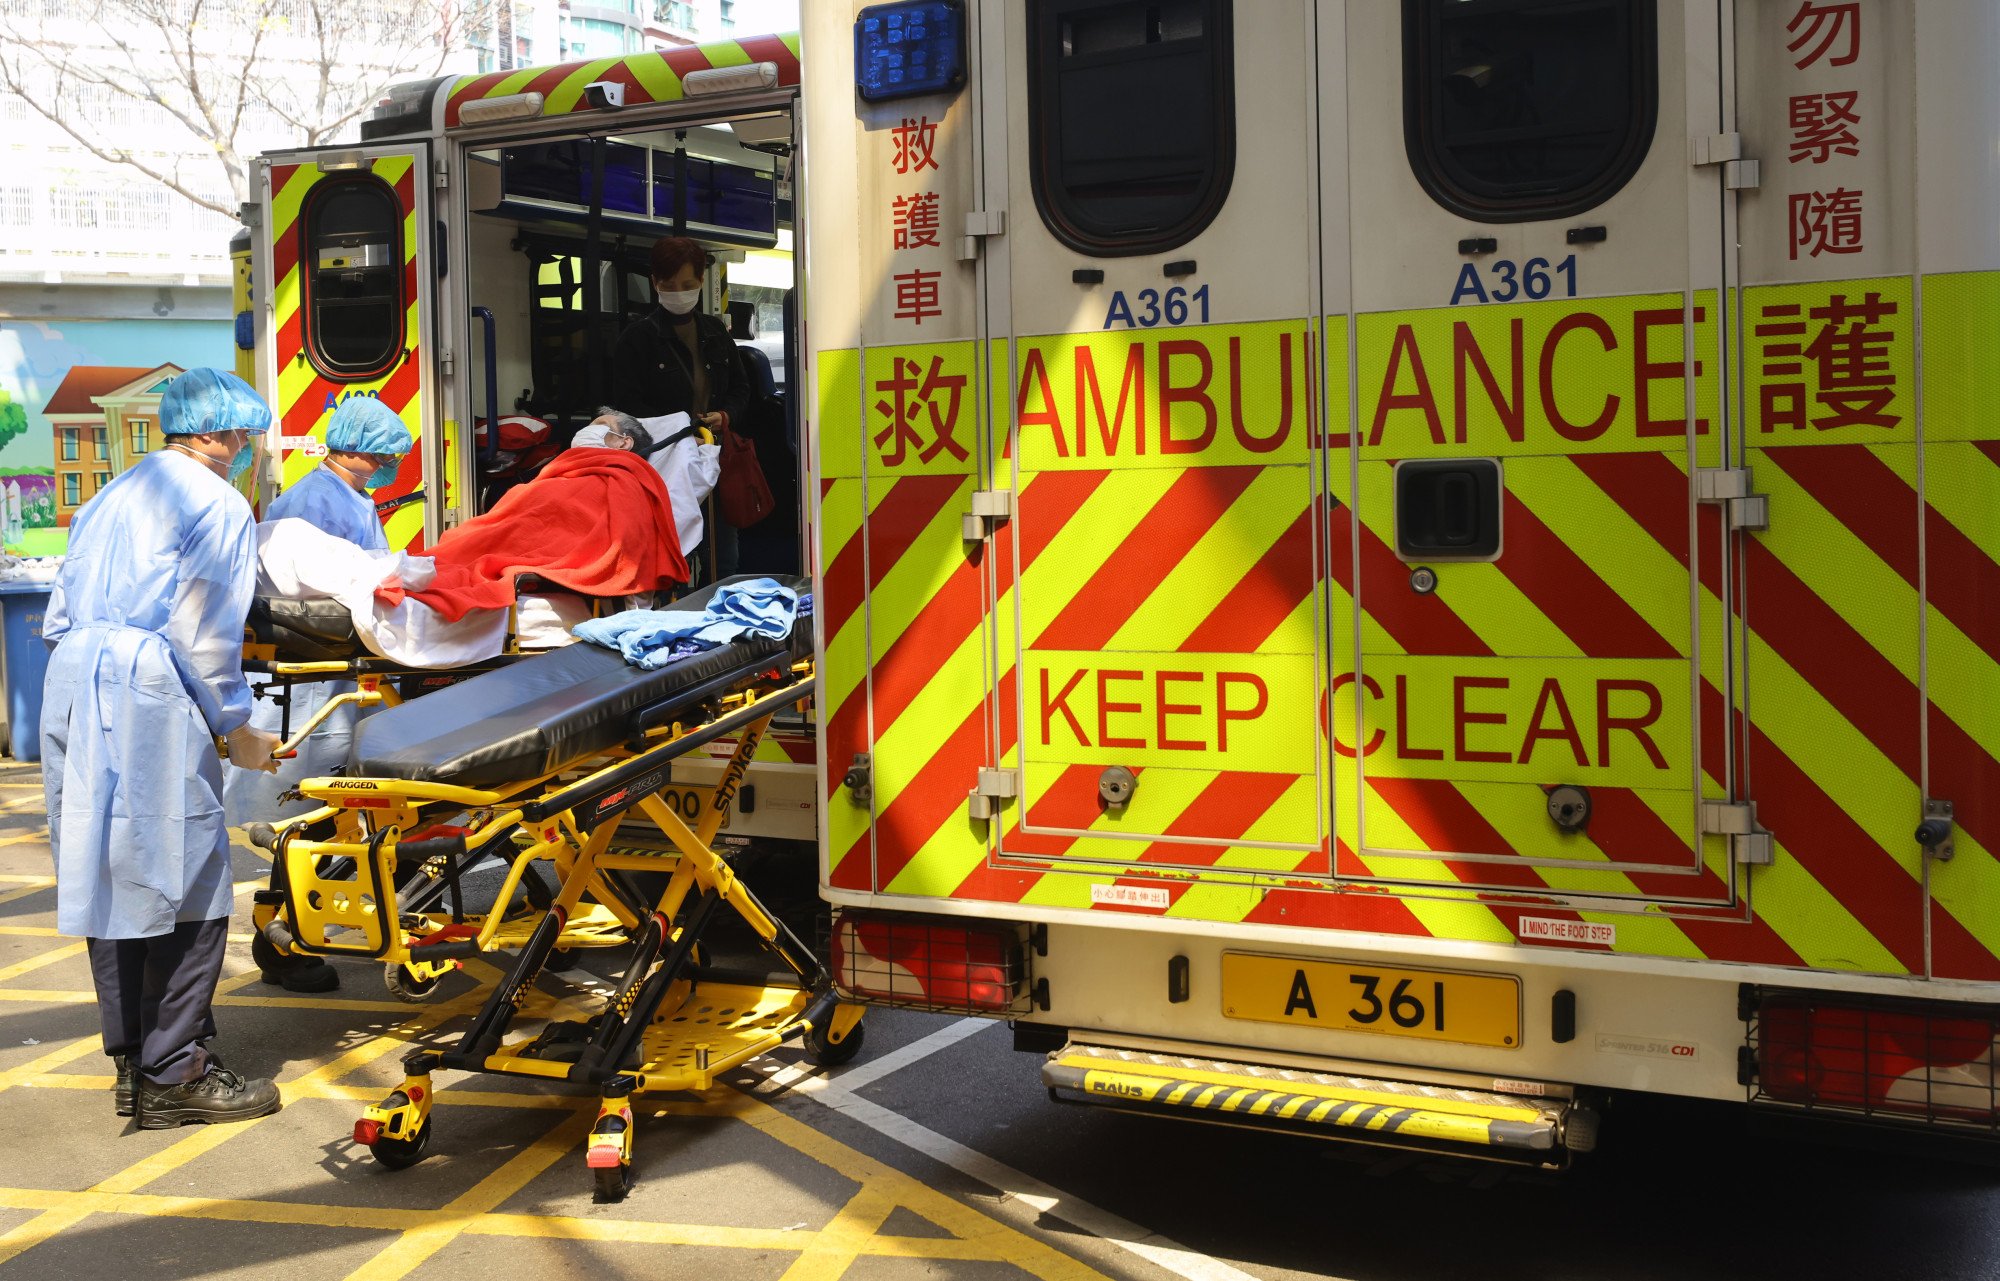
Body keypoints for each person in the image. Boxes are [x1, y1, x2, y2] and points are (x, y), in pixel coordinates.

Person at [42, 367, 284, 1129]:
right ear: (217, 434)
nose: (247, 448)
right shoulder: (215, 501)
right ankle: (178, 1068)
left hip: (76, 676)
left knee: (106, 867)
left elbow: (57, 611)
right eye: (244, 435)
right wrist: (236, 726)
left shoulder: (115, 493)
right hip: (151, 685)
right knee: (190, 874)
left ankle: (134, 1062)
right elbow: (204, 634)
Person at [224, 396, 414, 991]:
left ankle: (294, 936)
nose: (389, 465)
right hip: (317, 675)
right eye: (385, 455)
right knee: (314, 814)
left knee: (325, 815)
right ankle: (285, 945)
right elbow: (334, 590)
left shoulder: (345, 497)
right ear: (356, 448)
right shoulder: (313, 504)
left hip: (334, 672)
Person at [611, 236, 747, 582]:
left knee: (724, 559)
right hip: (666, 465)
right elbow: (627, 406)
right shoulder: (637, 338)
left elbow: (741, 389)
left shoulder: (715, 331)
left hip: (715, 455)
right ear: (654, 283)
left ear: (702, 282)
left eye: (687, 284)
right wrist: (680, 428)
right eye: (668, 285)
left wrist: (725, 416)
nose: (678, 292)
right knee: (674, 559)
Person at [265, 396, 413, 550]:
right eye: (382, 456)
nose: (389, 466)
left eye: (395, 457)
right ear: (350, 447)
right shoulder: (312, 504)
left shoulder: (352, 495)